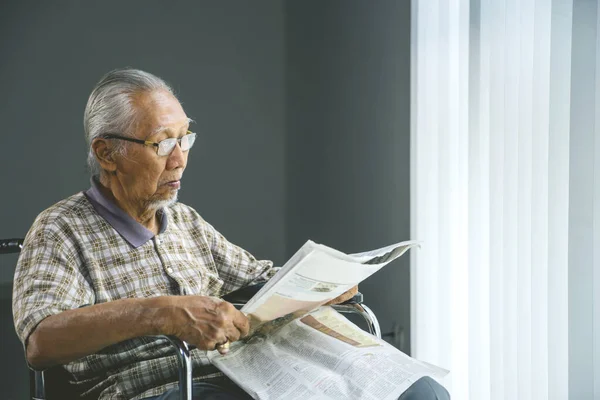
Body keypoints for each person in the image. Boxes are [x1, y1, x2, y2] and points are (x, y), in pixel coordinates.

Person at [13, 68, 449, 400]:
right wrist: (159, 312)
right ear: (107, 153)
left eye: (186, 140)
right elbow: (41, 341)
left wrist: (321, 283)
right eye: (162, 143)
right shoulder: (59, 230)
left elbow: (257, 278)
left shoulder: (184, 221)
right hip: (167, 389)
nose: (179, 159)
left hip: (243, 373)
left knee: (420, 392)